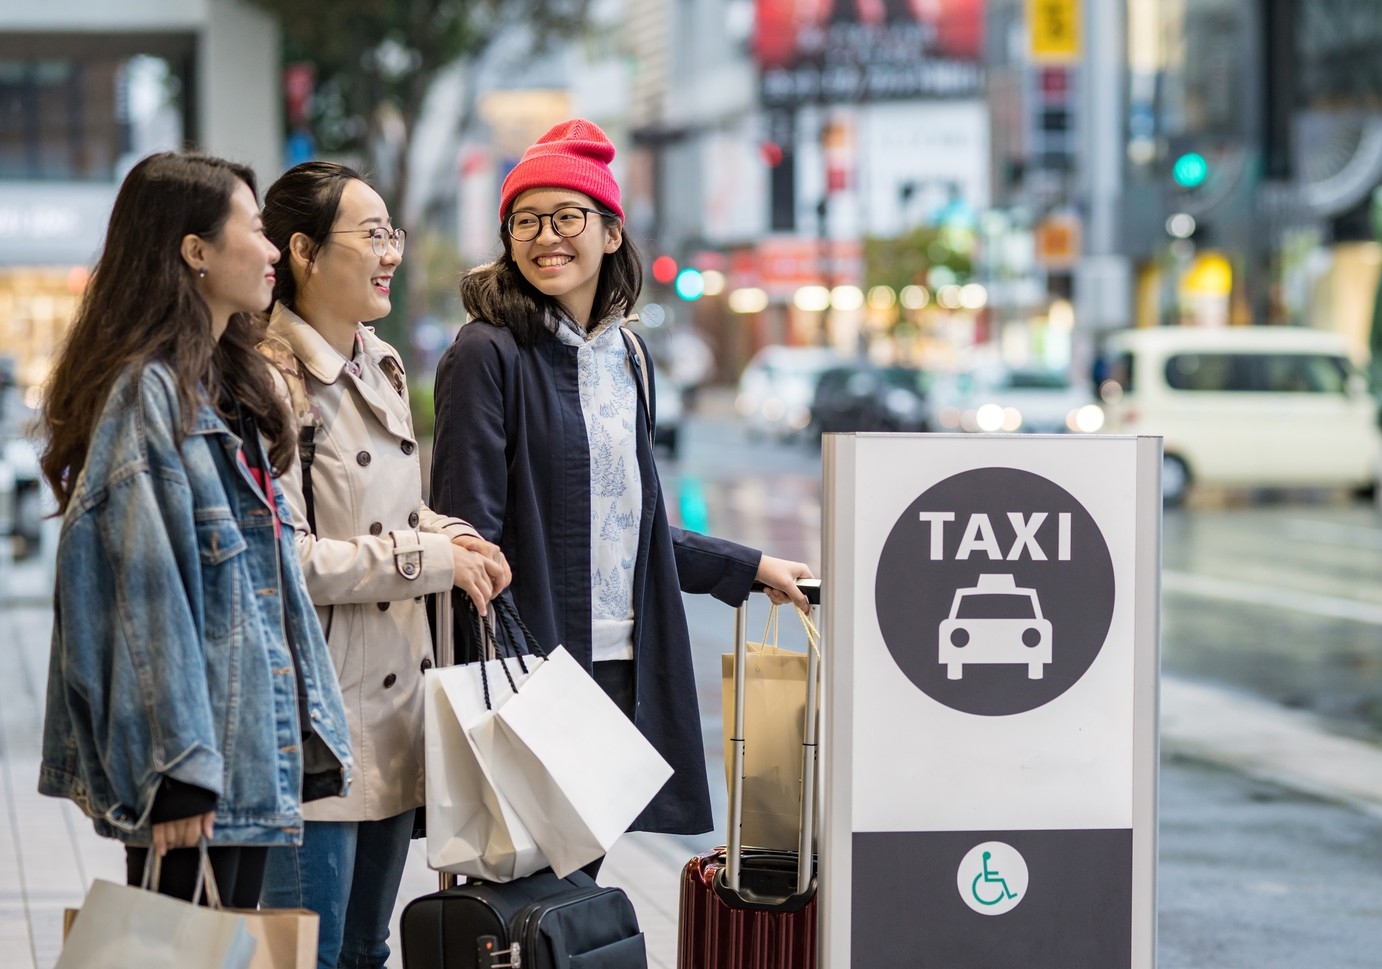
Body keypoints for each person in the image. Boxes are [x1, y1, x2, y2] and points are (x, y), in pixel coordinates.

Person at [430, 119, 813, 859]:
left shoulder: (628, 356)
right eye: (526, 220)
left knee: (577, 899)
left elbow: (627, 522)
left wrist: (749, 566)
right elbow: (465, 537)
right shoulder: (487, 353)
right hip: (531, 670)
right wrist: (503, 683)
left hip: (621, 668)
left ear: (610, 233)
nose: (547, 236)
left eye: (567, 216)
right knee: (520, 894)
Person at [36, 151, 353, 906]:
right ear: (195, 251)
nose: (274, 248)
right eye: (254, 228)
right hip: (192, 770)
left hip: (240, 753)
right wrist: (176, 767)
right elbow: (142, 592)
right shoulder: (149, 394)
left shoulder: (221, 385)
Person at [251, 161, 513, 967]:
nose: (390, 251)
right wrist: (426, 556)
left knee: (368, 947)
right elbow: (283, 556)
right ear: (302, 250)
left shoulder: (383, 361)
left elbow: (386, 509)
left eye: (391, 232)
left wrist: (450, 533)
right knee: (307, 955)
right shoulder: (267, 377)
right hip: (318, 723)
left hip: (396, 718)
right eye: (371, 234)